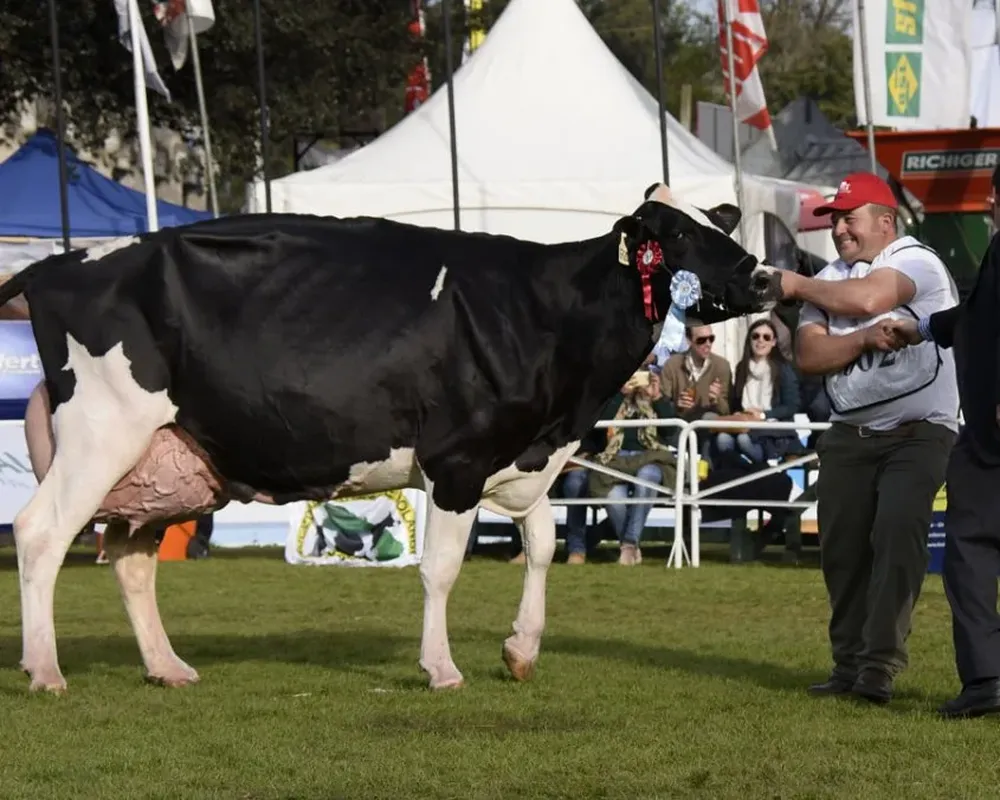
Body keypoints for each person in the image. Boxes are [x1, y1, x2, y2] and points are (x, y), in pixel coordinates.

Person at [777, 171, 959, 704]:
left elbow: (869, 297)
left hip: (920, 431)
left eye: (848, 218)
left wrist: (796, 285)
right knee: (843, 551)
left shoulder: (914, 259)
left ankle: (878, 668)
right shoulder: (831, 279)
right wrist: (860, 338)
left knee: (898, 534)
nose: (838, 230)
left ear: (886, 220)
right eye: (832, 220)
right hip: (849, 433)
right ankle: (847, 665)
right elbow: (811, 356)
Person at [889, 163, 1000, 718]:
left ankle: (986, 679)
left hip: (990, 438)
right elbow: (980, 317)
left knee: (972, 550)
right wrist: (926, 327)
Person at [588, 368, 677, 566]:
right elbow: (600, 427)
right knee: (613, 496)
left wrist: (658, 397)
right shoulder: (613, 396)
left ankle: (628, 545)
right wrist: (620, 394)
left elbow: (671, 431)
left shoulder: (654, 399)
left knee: (646, 477)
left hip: (650, 456)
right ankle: (631, 547)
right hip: (616, 458)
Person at [712, 318, 803, 464]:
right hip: (745, 424)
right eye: (756, 336)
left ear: (773, 342)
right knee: (722, 439)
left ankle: (760, 470)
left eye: (766, 337)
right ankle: (742, 473)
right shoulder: (742, 367)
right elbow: (736, 402)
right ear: (749, 339)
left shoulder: (783, 369)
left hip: (774, 429)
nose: (760, 341)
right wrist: (734, 411)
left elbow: (792, 406)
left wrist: (762, 415)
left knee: (743, 439)